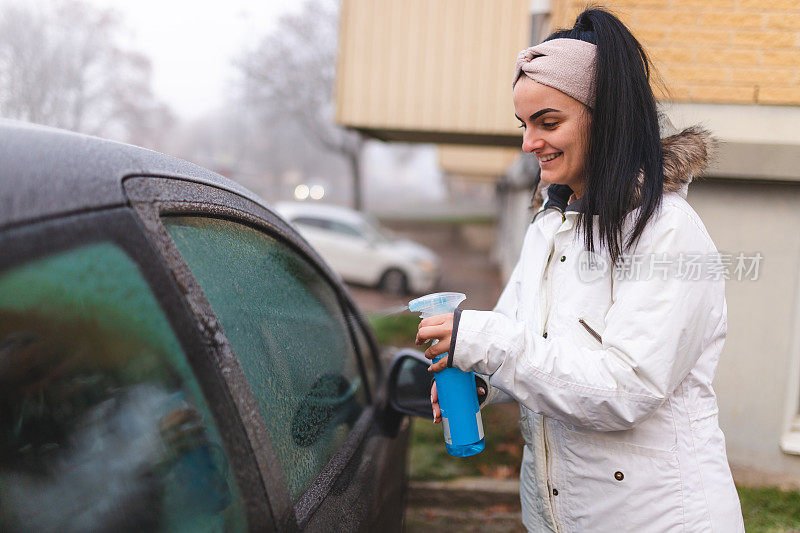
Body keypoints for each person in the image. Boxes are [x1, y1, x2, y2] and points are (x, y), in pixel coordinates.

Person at [415, 8, 745, 532]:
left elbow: (626, 388)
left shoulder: (667, 231)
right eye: (524, 125)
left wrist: (488, 342)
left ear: (607, 119)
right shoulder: (548, 226)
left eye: (549, 122)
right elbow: (526, 343)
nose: (528, 143)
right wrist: (483, 382)